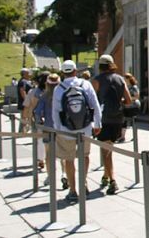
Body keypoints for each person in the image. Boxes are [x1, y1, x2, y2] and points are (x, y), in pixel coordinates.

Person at [53, 60, 102, 202]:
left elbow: (56, 111)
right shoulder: (85, 84)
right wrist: (97, 123)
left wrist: (58, 129)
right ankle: (84, 183)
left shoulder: (59, 88)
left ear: (63, 72)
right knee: (84, 156)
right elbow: (94, 104)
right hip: (85, 127)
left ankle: (73, 189)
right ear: (76, 71)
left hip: (66, 129)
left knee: (69, 159)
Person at [92, 54, 132, 195]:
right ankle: (105, 175)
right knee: (108, 148)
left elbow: (92, 101)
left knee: (106, 151)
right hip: (118, 119)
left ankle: (113, 180)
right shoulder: (121, 79)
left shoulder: (96, 80)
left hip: (104, 119)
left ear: (100, 66)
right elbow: (128, 101)